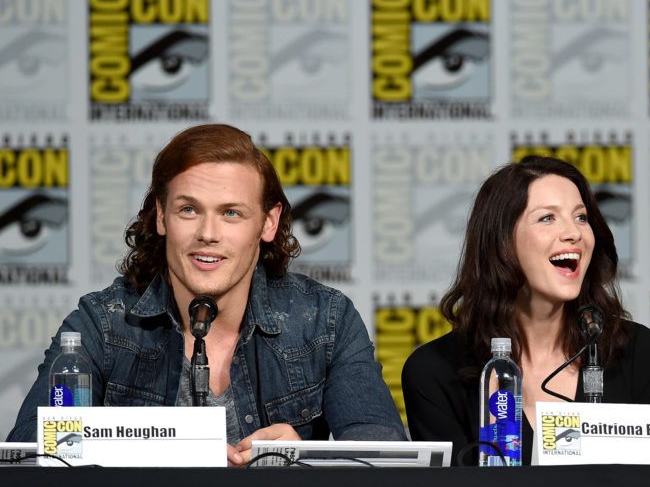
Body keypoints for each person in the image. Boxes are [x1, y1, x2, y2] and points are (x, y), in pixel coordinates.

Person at [7, 124, 405, 464]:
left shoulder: (324, 320)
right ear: (161, 216)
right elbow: (28, 458)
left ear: (268, 223)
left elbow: (390, 463)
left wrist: (305, 462)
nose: (208, 234)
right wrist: (163, 452)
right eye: (189, 210)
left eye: (231, 213)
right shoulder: (104, 324)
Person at [402, 156, 650, 465]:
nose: (574, 233)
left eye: (581, 218)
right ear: (501, 243)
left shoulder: (639, 352)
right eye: (548, 218)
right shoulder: (435, 371)